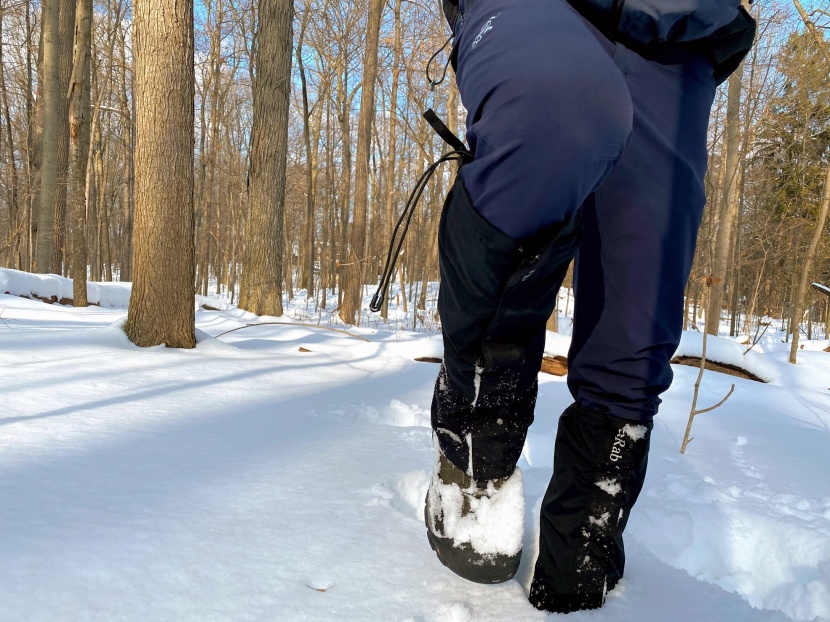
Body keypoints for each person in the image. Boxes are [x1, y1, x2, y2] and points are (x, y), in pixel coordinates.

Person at [422, 0, 756, 613]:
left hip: (684, 29)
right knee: (561, 105)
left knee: (639, 310)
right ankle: (478, 443)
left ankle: (587, 524)